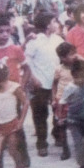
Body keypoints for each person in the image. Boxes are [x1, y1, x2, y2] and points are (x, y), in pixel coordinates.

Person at [0, 12, 31, 168]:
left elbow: (27, 68)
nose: (4, 35)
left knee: (16, 127)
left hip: (13, 93)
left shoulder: (15, 49)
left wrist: (21, 85)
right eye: (0, 31)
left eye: (7, 31)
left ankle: (22, 158)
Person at [25, 12, 64, 156]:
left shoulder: (58, 40)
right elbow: (27, 61)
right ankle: (41, 143)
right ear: (47, 24)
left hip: (56, 82)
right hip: (39, 82)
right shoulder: (35, 41)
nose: (56, 24)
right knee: (40, 113)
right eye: (54, 21)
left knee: (58, 111)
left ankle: (58, 135)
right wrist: (32, 78)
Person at [0, 62, 28, 168]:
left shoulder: (14, 87)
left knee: (13, 150)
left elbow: (25, 103)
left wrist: (21, 121)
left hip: (11, 124)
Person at [58, 60, 84, 168]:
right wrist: (60, 117)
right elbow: (62, 102)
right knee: (78, 142)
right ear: (73, 76)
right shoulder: (70, 88)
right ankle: (82, 164)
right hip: (74, 120)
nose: (81, 80)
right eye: (78, 78)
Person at [52, 42, 80, 161]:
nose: (74, 56)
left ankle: (81, 150)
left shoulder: (78, 66)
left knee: (77, 124)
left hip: (75, 99)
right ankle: (65, 149)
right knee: (61, 125)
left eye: (75, 53)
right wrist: (53, 99)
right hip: (61, 100)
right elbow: (54, 84)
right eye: (71, 54)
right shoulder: (59, 69)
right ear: (63, 58)